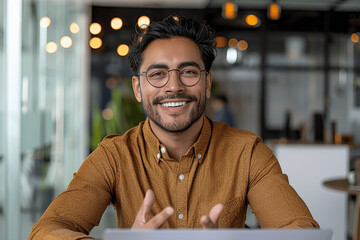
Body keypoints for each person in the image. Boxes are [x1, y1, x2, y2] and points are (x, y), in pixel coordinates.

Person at [29, 16, 319, 239]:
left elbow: (301, 231)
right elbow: (47, 230)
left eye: (189, 72)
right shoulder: (114, 156)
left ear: (207, 84)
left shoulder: (247, 152)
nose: (174, 86)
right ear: (138, 88)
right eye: (157, 74)